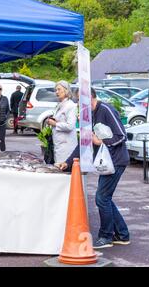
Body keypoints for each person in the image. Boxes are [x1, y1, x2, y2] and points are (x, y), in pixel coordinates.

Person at [58, 88, 130, 249]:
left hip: (116, 161)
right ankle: (122, 234)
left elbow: (122, 136)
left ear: (89, 98)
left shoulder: (105, 110)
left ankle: (106, 236)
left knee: (102, 198)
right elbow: (84, 142)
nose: (78, 106)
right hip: (108, 162)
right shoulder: (90, 115)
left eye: (79, 102)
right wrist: (68, 162)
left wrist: (102, 142)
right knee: (105, 198)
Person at [46, 81, 78, 164]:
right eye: (56, 90)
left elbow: (70, 126)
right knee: (58, 167)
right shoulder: (60, 104)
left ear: (66, 90)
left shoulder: (70, 106)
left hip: (66, 145)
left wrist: (55, 124)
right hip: (59, 143)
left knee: (63, 169)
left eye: (59, 89)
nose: (57, 92)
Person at [0, 83, 10, 151]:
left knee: (2, 139)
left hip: (2, 123)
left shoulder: (5, 98)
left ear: (1, 90)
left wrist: (6, 117)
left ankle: (3, 153)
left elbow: (8, 110)